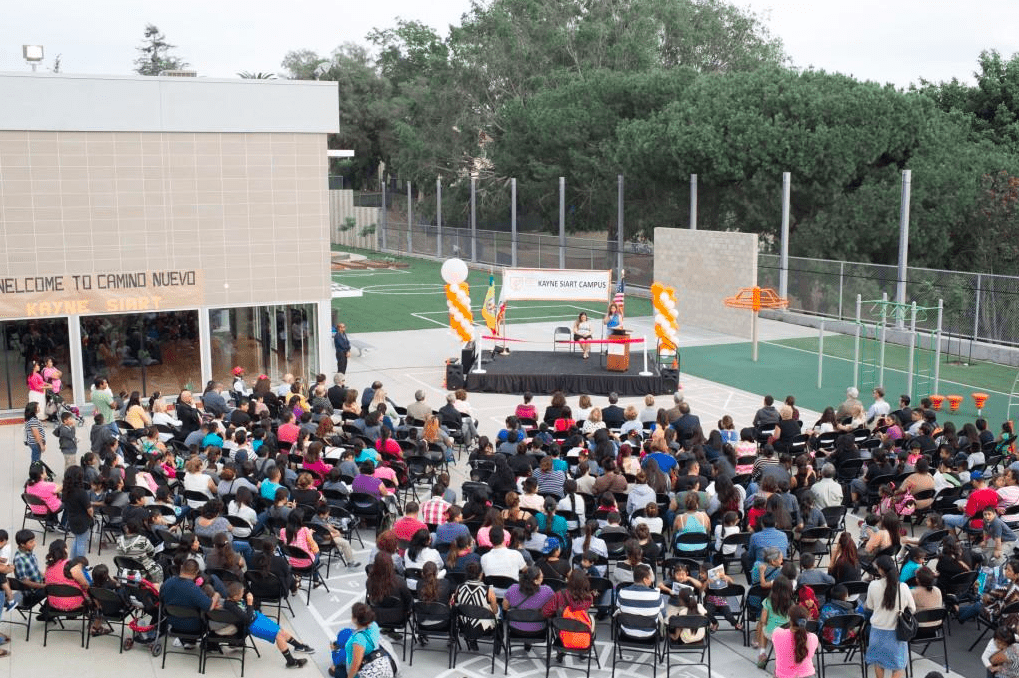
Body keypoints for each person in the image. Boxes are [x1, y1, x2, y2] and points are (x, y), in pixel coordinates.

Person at [213, 581, 312, 668]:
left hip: (257, 617)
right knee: (279, 636)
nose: (243, 593)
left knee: (280, 631)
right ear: (235, 597)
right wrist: (250, 602)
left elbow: (244, 594)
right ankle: (291, 662)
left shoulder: (232, 599)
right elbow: (246, 619)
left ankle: (299, 646)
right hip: (253, 625)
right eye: (241, 593)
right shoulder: (231, 605)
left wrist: (246, 594)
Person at [864, 555, 916, 678]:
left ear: (881, 569)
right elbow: (912, 609)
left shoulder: (873, 585)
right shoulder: (903, 587)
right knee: (898, 666)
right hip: (897, 632)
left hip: (877, 630)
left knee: (878, 662)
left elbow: (869, 606)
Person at [452, 562, 499, 651]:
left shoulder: (459, 587)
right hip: (484, 629)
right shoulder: (488, 590)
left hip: (464, 626)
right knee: (498, 614)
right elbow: (495, 611)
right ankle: (498, 644)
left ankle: (472, 640)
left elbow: (454, 604)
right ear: (481, 574)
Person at [503, 565, 556, 634]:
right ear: (536, 580)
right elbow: (554, 608)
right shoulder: (547, 591)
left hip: (515, 628)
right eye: (542, 577)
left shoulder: (512, 588)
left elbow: (505, 607)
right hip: (539, 629)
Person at [756, 575, 794, 668]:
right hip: (787, 633)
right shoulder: (791, 603)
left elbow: (763, 620)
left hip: (772, 633)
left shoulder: (768, 601)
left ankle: (762, 653)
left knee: (762, 627)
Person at [772, 604, 819, 678]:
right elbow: (810, 655)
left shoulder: (777, 633)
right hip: (807, 675)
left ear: (790, 620)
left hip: (783, 675)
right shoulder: (813, 637)